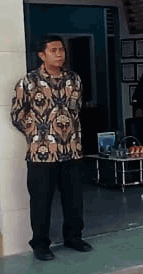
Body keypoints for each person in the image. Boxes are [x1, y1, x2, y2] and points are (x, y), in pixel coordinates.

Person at [10, 35, 93, 261]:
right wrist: (38, 133)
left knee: (74, 200)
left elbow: (77, 108)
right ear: (42, 55)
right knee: (41, 202)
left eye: (61, 50)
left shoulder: (74, 79)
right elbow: (17, 115)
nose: (59, 54)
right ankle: (40, 245)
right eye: (54, 50)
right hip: (42, 154)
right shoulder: (29, 82)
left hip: (72, 150)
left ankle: (74, 238)